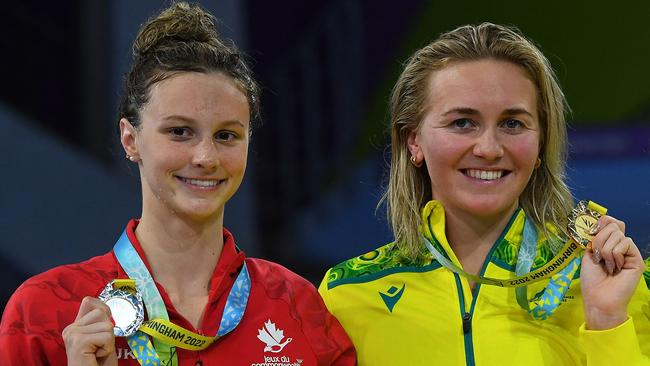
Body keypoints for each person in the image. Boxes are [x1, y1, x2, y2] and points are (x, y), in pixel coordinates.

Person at [0, 2, 355, 365]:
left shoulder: (298, 307)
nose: (206, 157)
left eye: (227, 135)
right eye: (179, 132)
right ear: (130, 139)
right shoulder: (45, 313)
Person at [319, 23, 650, 365]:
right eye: (463, 122)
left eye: (512, 124)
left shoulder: (619, 284)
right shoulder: (349, 293)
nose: (489, 148)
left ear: (540, 144)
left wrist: (607, 320)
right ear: (413, 140)